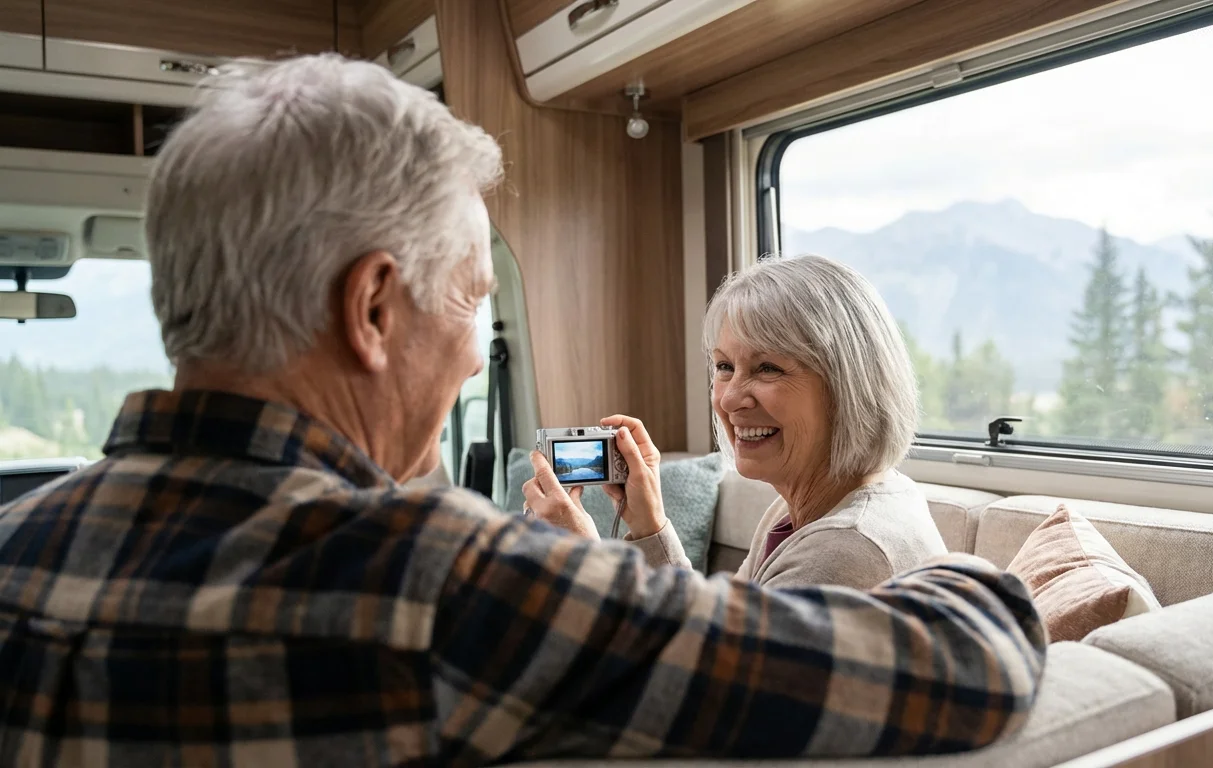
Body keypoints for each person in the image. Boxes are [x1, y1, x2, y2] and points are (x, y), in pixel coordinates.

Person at [0, 54, 1045, 766]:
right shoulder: (440, 583)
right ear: (370, 308)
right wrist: (988, 575)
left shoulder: (17, 543)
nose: (467, 359)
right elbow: (959, 668)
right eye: (471, 298)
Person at [524, 255, 947, 589]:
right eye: (724, 366)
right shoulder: (803, 507)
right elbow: (713, 642)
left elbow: (700, 691)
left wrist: (584, 565)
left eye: (767, 368)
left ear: (848, 386)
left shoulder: (844, 550)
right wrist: (649, 525)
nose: (728, 398)